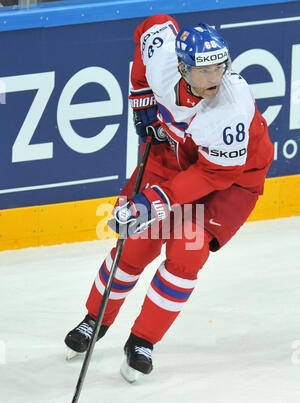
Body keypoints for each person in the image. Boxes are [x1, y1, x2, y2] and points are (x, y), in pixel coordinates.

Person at [64, 14, 274, 382]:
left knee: (186, 253)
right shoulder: (165, 59)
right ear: (181, 66)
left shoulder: (230, 107)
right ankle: (94, 320)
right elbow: (154, 25)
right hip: (172, 157)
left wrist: (154, 201)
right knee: (135, 245)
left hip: (230, 180)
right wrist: (142, 98)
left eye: (220, 67)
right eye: (204, 70)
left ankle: (143, 340)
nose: (214, 78)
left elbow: (215, 173)